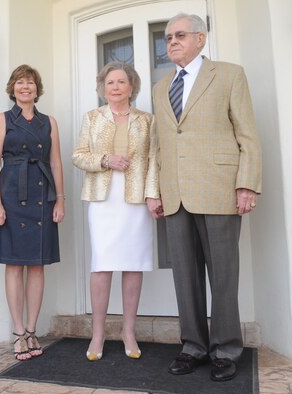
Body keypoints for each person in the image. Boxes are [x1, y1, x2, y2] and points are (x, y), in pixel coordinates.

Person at [149, 13, 262, 381]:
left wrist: (247, 184)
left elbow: (247, 135)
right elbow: (159, 146)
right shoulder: (160, 86)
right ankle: (193, 347)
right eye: (167, 38)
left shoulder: (229, 74)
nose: (172, 42)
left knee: (224, 276)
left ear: (200, 38)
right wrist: (156, 190)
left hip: (219, 189)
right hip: (176, 193)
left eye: (180, 35)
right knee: (185, 276)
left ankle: (226, 350)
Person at [72, 62, 159, 361]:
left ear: (132, 86)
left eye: (122, 82)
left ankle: (128, 332)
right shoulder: (92, 118)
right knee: (102, 264)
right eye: (110, 83)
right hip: (103, 200)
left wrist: (152, 195)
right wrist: (106, 159)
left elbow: (153, 160)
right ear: (103, 88)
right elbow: (78, 156)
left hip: (136, 201)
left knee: (133, 264)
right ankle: (98, 334)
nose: (116, 87)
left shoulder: (147, 120)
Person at [0, 64, 65, 361]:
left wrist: (60, 200)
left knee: (37, 265)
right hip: (11, 196)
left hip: (42, 197)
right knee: (13, 265)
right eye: (20, 82)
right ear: (12, 88)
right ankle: (19, 332)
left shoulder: (49, 122)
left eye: (30, 82)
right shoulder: (2, 120)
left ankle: (33, 330)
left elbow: (56, 163)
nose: (25, 87)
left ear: (37, 88)